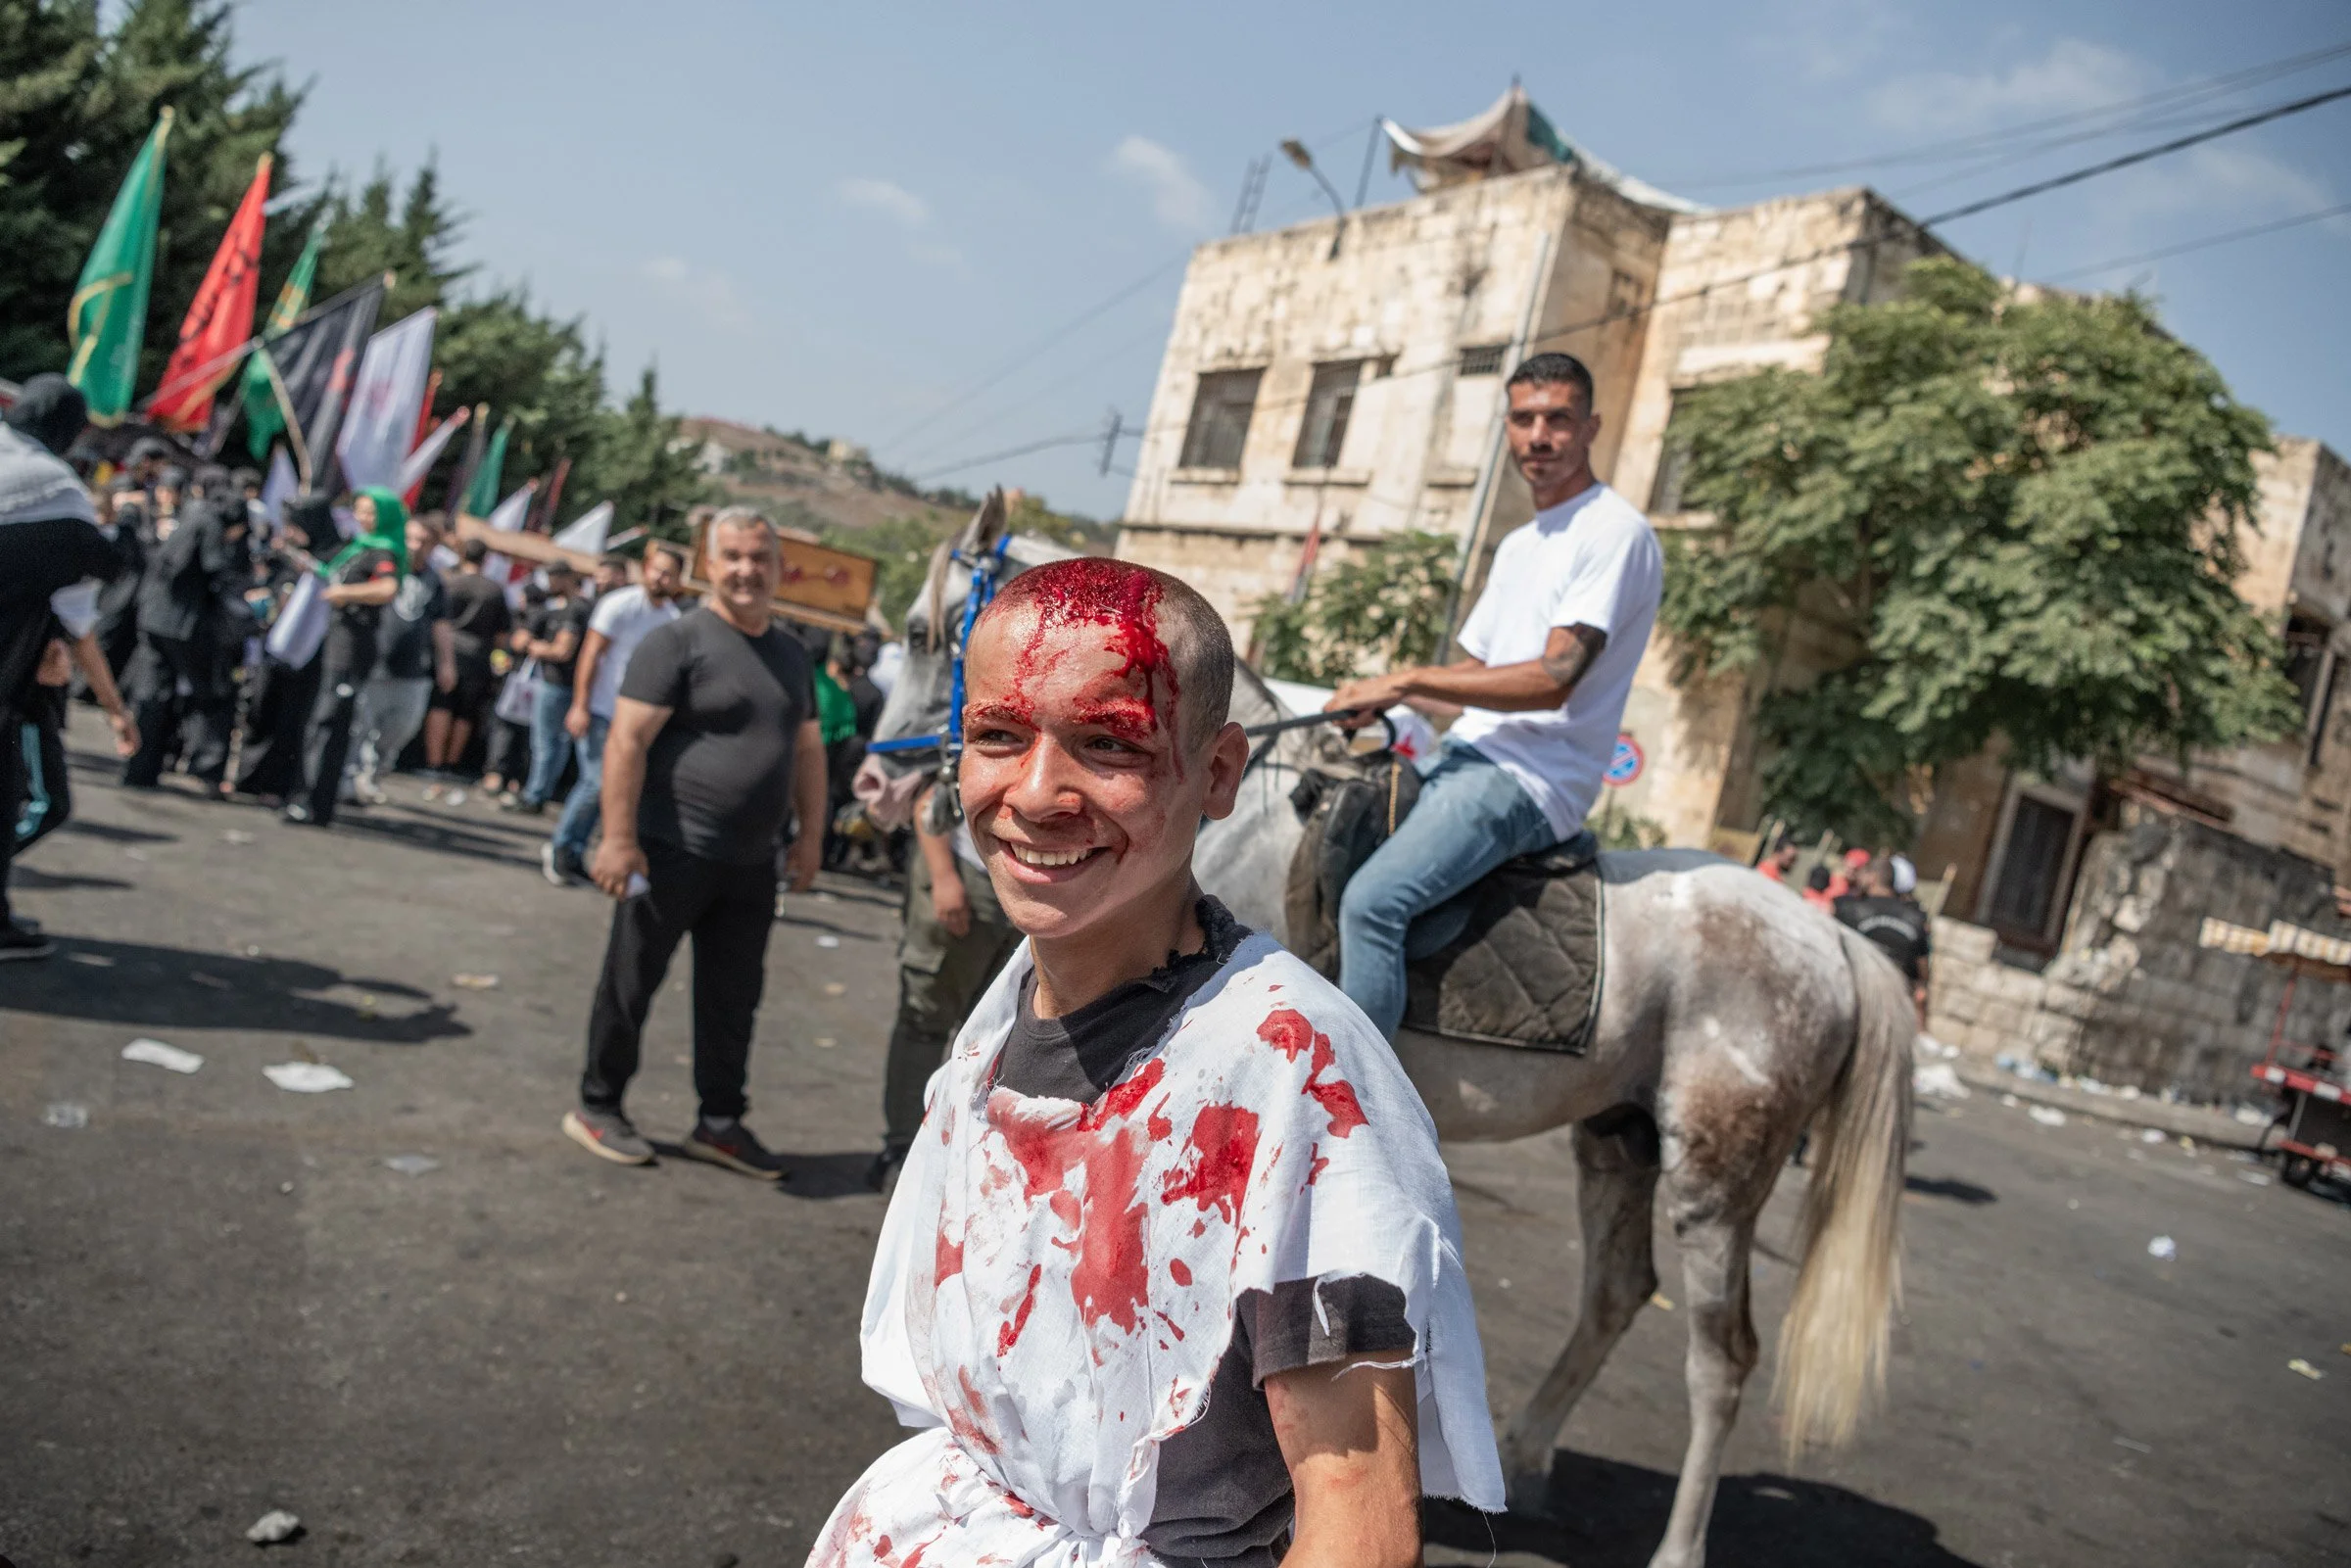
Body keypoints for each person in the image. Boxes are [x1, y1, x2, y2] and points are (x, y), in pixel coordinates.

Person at [808, 557, 1500, 1568]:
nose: (1037, 794)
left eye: (1107, 743)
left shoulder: (1295, 1074)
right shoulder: (998, 1013)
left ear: (1217, 772)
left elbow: (1357, 1515)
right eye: (999, 734)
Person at [1320, 352, 1663, 1041]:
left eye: (1558, 419)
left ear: (1591, 426)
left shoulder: (1614, 532)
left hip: (1532, 777)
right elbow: (1473, 676)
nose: (1539, 435)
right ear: (1507, 428)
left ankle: (1352, 1110)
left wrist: (1408, 679)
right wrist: (1383, 699)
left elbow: (1551, 678)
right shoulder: (1519, 544)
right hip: (1470, 755)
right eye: (1524, 418)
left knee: (1372, 903)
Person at [560, 508, 826, 1178]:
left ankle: (719, 1122)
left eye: (758, 556)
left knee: (733, 998)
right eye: (732, 555)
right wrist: (617, 838)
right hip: (668, 847)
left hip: (751, 863)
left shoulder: (793, 653)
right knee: (630, 983)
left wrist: (810, 838)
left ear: (777, 566)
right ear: (710, 564)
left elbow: (808, 751)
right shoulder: (676, 642)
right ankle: (599, 1104)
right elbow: (625, 740)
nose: (746, 569)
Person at [0, 375, 125, 958]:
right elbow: (81, 615)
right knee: (27, 801)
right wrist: (115, 708)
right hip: (15, 682)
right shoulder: (57, 490)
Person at [868, 783, 1023, 1187]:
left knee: (995, 1037)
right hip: (968, 878)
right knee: (926, 1019)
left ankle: (962, 1149)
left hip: (1026, 888)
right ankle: (901, 1147)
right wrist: (942, 875)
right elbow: (930, 800)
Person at [544, 544, 685, 884]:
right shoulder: (619, 605)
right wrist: (580, 705)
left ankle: (575, 851)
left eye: (670, 574)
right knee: (597, 781)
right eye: (658, 570)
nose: (662, 578)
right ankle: (561, 847)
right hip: (602, 709)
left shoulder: (672, 621)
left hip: (634, 721)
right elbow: (591, 654)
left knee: (611, 787)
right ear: (646, 568)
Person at [284, 489, 408, 827]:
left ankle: (315, 802)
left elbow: (386, 588)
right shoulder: (360, 547)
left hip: (353, 647)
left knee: (330, 721)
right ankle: (307, 796)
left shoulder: (383, 550)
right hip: (337, 642)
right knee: (320, 720)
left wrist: (345, 592)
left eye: (370, 513)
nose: (363, 518)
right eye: (360, 511)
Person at [122, 470, 250, 798]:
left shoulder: (192, 514)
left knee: (153, 693)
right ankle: (206, 769)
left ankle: (141, 767)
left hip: (154, 618)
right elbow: (215, 569)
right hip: (183, 624)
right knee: (212, 694)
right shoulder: (211, 524)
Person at [349, 510, 456, 804]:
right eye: (409, 539)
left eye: (422, 541)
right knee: (358, 728)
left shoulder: (435, 581)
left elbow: (441, 624)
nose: (414, 546)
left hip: (412, 671)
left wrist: (446, 663)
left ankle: (372, 776)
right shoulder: (384, 567)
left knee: (399, 731)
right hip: (374, 663)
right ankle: (348, 782)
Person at [421, 538, 511, 790]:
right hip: (479, 655)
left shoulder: (450, 582)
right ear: (486, 559)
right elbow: (502, 634)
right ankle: (451, 763)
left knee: (441, 704)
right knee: (465, 712)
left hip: (448, 649)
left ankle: (434, 763)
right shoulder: (495, 590)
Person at [504, 561, 588, 814]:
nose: (549, 583)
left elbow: (562, 651)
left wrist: (534, 647)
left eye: (553, 577)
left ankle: (535, 794)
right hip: (559, 683)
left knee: (546, 743)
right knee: (554, 744)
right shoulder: (565, 607)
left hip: (558, 684)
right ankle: (539, 791)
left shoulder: (575, 608)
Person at [1835, 856, 1933, 1025]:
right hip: (1893, 1012)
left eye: (1864, 873)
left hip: (1850, 1001)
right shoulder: (1916, 920)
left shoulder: (1848, 910)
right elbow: (1923, 973)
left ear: (1872, 877)